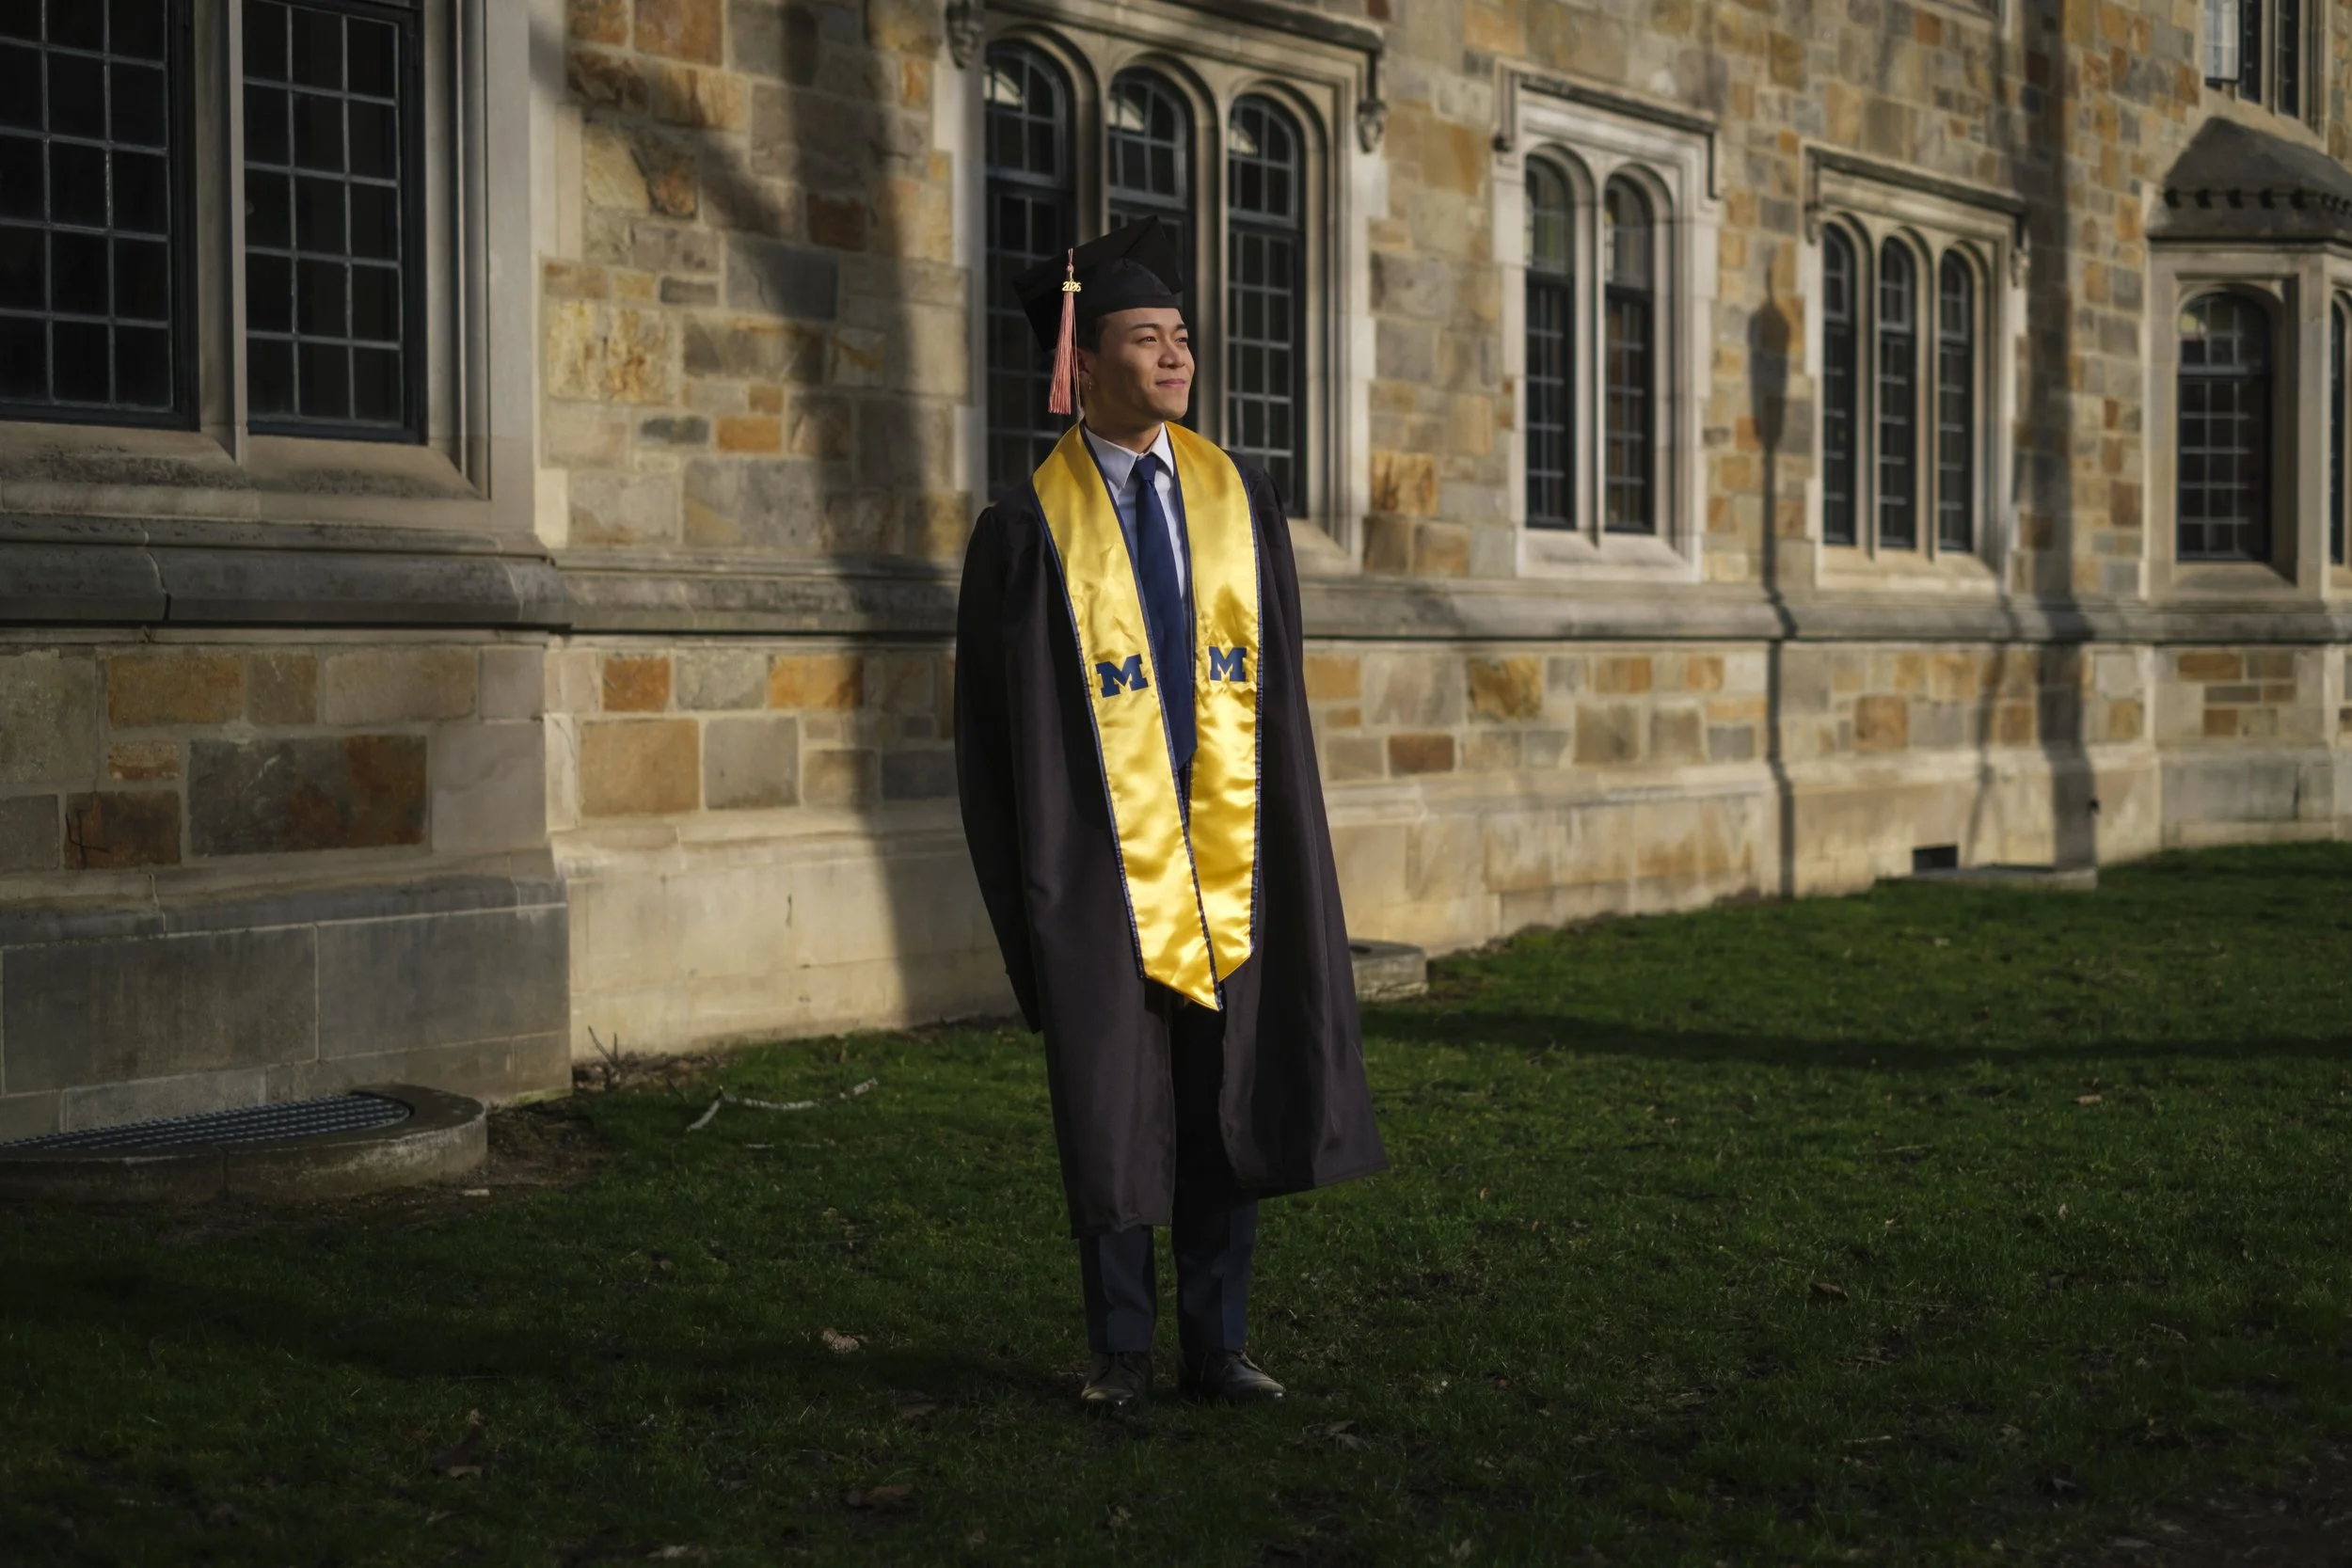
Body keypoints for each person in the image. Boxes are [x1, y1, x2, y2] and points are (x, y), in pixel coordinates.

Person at [953, 216, 1387, 1413]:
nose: (1174, 357)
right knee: (1111, 1096)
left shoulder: (1237, 498)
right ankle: (1121, 1348)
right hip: (1095, 862)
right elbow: (989, 743)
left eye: (1181, 336)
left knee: (1220, 1091)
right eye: (1145, 338)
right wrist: (1029, 887)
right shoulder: (1025, 531)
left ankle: (1219, 1339)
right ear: (1079, 364)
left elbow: (1279, 690)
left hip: (1226, 845)